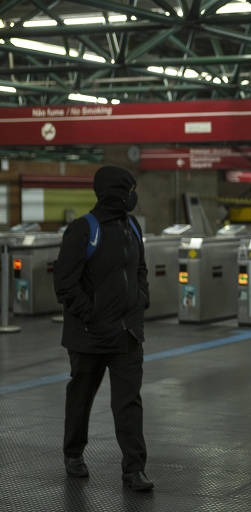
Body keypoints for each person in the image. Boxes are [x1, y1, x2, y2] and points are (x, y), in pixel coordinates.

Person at [53, 166, 153, 491]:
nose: (133, 196)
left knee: (128, 403)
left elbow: (140, 269)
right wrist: (91, 315)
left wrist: (140, 301)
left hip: (127, 335)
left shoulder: (132, 227)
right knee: (81, 397)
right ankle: (73, 454)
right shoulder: (84, 229)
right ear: (117, 193)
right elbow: (64, 282)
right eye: (130, 189)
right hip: (89, 336)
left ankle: (134, 469)